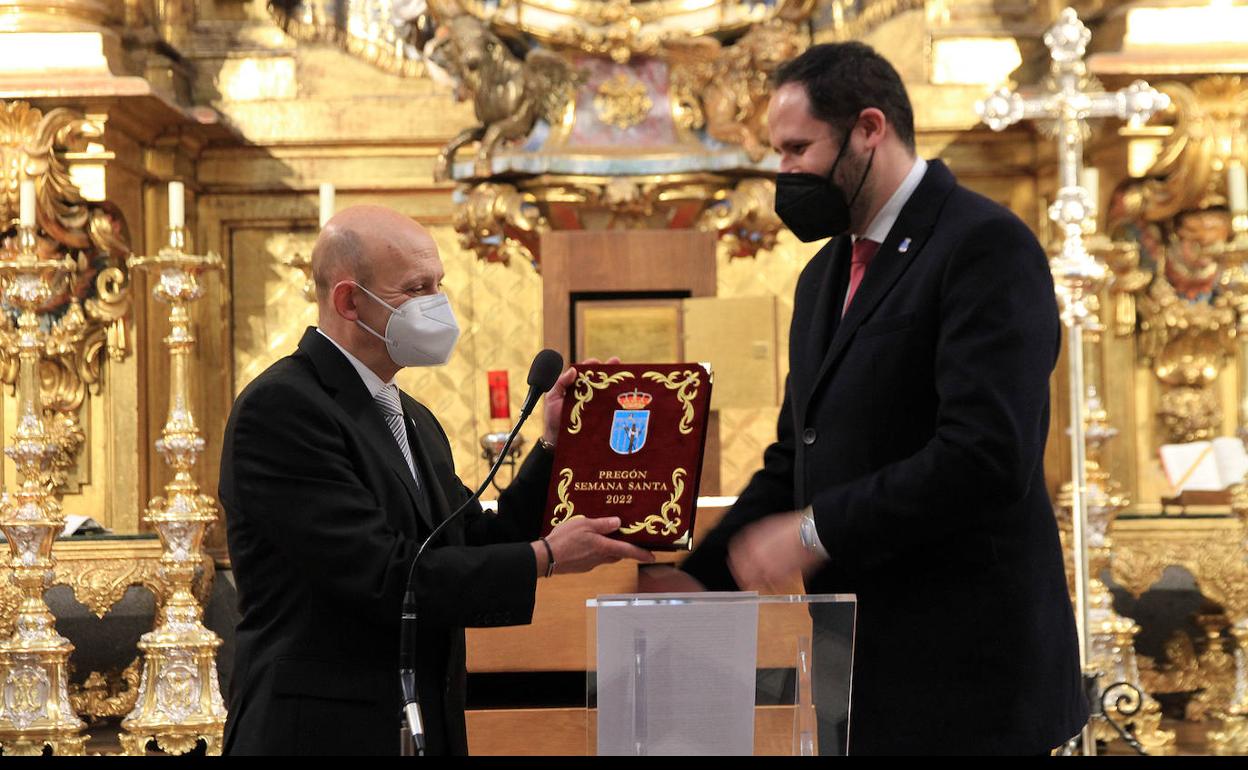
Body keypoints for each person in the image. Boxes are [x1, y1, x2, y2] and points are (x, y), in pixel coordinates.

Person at [643, 43, 1088, 754]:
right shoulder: (823, 276)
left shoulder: (983, 245)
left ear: (869, 129)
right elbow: (795, 458)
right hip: (859, 672)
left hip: (970, 676)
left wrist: (813, 532)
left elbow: (986, 455)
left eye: (798, 149)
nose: (785, 171)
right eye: (778, 152)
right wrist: (699, 579)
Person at [219, 205, 652, 755]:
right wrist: (545, 557)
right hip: (321, 731)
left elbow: (469, 539)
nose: (437, 303)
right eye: (416, 288)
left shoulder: (412, 417)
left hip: (417, 720)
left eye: (438, 285)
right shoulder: (283, 408)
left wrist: (556, 445)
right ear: (349, 301)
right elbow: (383, 577)